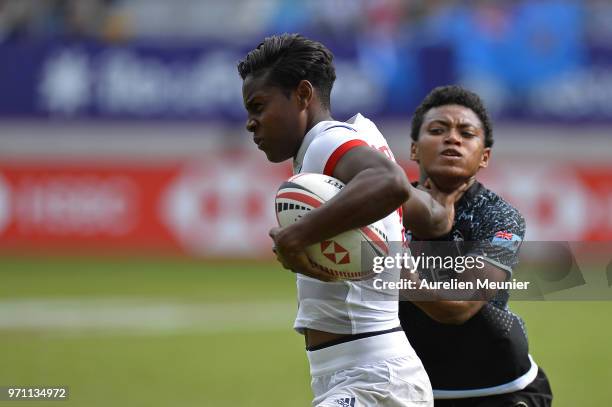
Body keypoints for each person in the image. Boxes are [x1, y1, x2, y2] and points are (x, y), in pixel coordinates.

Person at [238, 33, 445, 407]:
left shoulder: (326, 142)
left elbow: (391, 182)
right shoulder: (355, 141)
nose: (251, 123)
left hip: (373, 376)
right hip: (369, 373)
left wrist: (295, 237)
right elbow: (428, 216)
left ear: (303, 95)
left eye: (258, 106)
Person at [398, 85, 553, 406]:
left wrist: (390, 266)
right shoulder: (387, 211)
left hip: (502, 390)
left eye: (466, 133)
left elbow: (458, 307)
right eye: (437, 130)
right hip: (411, 389)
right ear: (414, 149)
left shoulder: (498, 216)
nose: (452, 138)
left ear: (484, 156)